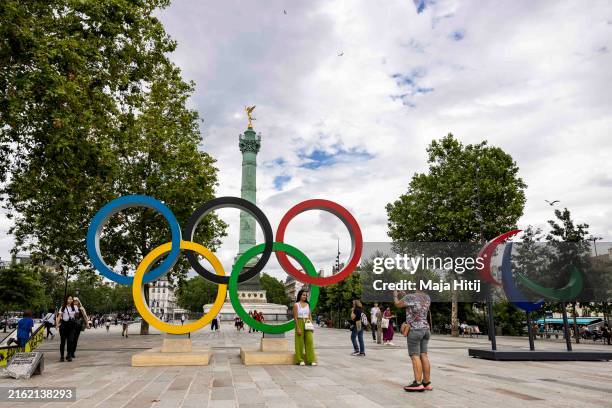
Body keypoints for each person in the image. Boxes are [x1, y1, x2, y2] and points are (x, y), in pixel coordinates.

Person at [394, 289, 432, 392]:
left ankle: (418, 383)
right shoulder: (427, 297)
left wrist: (395, 294)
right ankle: (427, 383)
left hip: (415, 330)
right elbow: (417, 305)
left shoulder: (410, 297)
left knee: (415, 356)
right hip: (425, 329)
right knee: (423, 355)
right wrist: (405, 295)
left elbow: (397, 304)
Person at [293, 289, 317, 366]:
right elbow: (295, 317)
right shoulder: (296, 305)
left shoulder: (307, 305)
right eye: (303, 295)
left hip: (307, 322)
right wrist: (298, 327)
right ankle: (299, 360)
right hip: (299, 322)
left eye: (306, 295)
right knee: (299, 342)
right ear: (300, 295)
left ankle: (311, 359)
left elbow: (310, 315)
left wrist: (312, 326)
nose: (305, 296)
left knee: (309, 341)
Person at [56, 294, 77, 362]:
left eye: (71, 299)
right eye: (68, 299)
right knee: (63, 341)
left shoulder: (75, 307)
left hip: (72, 326)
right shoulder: (63, 307)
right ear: (66, 300)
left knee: (70, 341)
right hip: (64, 325)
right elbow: (59, 316)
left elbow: (77, 315)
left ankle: (69, 355)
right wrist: (57, 324)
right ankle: (62, 356)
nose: (70, 300)